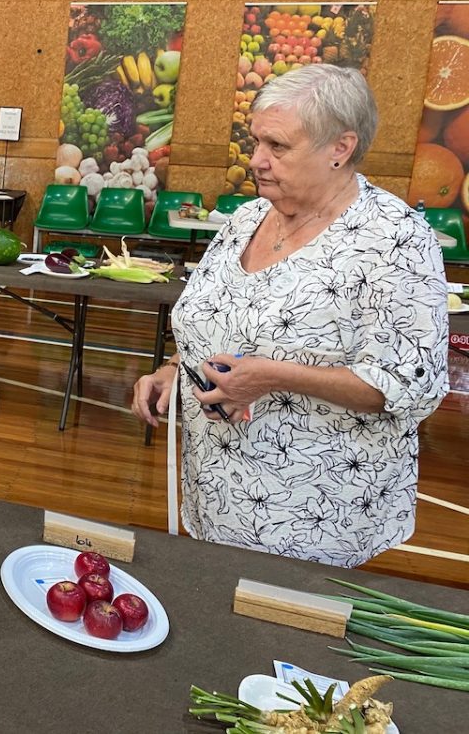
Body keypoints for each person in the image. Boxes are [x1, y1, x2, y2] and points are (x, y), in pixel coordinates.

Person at [132, 64, 449, 568]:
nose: (256, 160)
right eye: (255, 141)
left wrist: (271, 377)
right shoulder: (246, 220)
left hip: (314, 513)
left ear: (339, 149)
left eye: (277, 147)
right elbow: (214, 320)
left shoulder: (394, 241)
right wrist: (174, 368)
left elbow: (410, 386)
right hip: (217, 492)